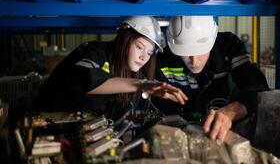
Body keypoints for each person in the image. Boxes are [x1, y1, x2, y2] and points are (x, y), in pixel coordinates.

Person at [38, 16, 187, 120]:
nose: (143, 57)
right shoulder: (95, 51)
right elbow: (84, 79)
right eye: (139, 47)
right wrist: (142, 85)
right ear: (124, 39)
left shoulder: (132, 73)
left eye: (149, 53)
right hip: (48, 123)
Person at [154, 16, 269, 141]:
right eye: (186, 53)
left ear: (213, 41)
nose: (194, 61)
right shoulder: (163, 61)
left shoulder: (228, 47)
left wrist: (231, 112)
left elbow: (258, 89)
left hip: (229, 131)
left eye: (200, 51)